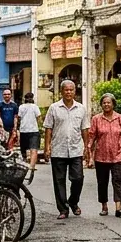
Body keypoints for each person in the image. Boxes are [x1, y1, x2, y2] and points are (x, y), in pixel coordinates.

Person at [44, 79, 90, 218]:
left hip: (76, 149)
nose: (69, 92)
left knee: (78, 178)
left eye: (71, 90)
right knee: (59, 181)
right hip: (59, 149)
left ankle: (73, 201)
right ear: (61, 91)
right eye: (66, 90)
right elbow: (48, 129)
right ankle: (63, 209)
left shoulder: (81, 108)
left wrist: (87, 147)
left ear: (75, 92)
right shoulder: (54, 108)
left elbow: (85, 129)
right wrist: (47, 147)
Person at [88, 92, 121, 217]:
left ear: (113, 104)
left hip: (118, 155)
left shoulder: (120, 118)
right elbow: (91, 137)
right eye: (104, 103)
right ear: (101, 105)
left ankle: (118, 208)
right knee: (102, 182)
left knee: (117, 180)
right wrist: (89, 155)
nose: (106, 104)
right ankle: (104, 206)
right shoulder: (96, 119)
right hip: (101, 156)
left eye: (109, 102)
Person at [17, 92, 43, 169]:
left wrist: (18, 126)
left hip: (23, 130)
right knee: (34, 148)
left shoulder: (21, 107)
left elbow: (19, 117)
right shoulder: (35, 107)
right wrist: (39, 126)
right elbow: (39, 118)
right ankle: (32, 166)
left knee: (23, 148)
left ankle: (24, 163)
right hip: (34, 130)